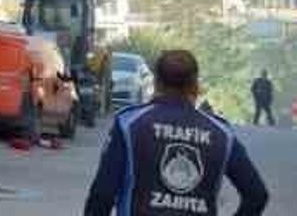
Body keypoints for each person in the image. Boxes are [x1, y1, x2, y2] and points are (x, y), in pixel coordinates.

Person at [84, 50, 269, 216]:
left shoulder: (130, 124)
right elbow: (256, 195)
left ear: (156, 82)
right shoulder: (221, 134)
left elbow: (102, 194)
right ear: (195, 85)